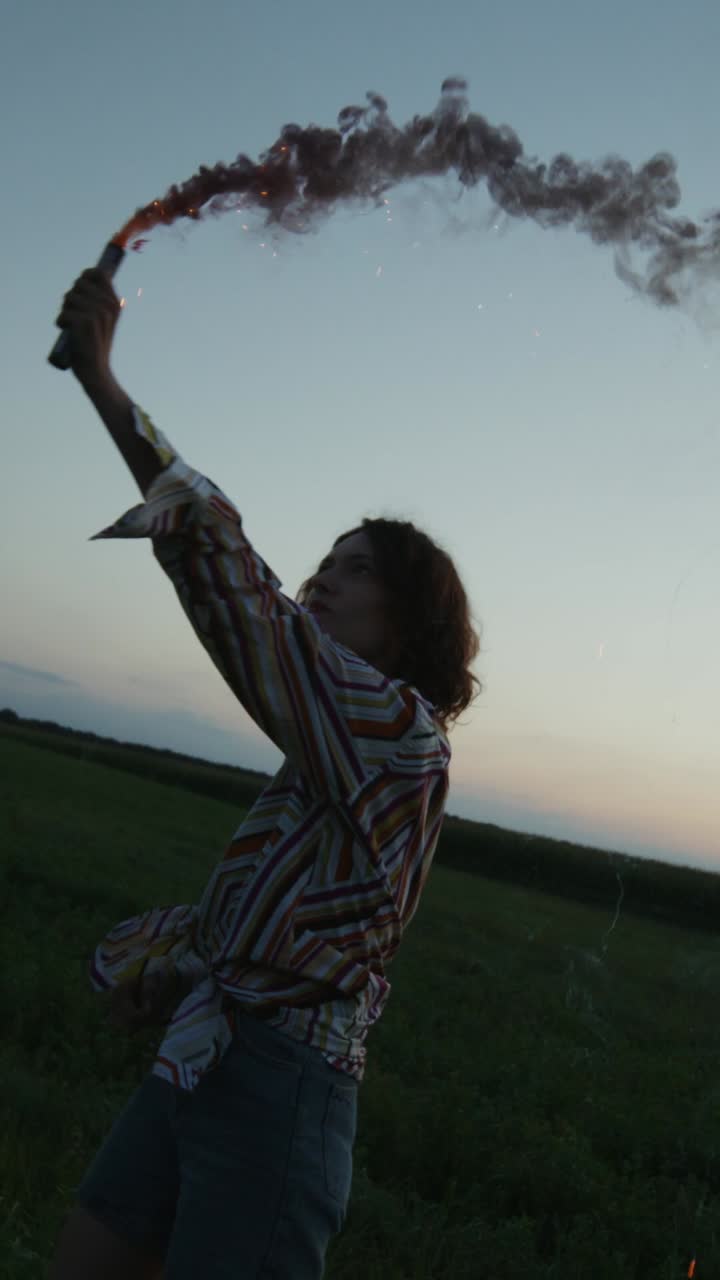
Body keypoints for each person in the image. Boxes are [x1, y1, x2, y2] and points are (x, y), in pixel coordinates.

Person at [48, 268, 482, 1280]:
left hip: (281, 1093)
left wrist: (106, 386)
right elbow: (273, 916)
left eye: (357, 566)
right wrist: (170, 967)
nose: (323, 576)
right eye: (324, 558)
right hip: (203, 1059)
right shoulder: (324, 744)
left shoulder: (399, 735)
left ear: (410, 619)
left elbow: (233, 585)